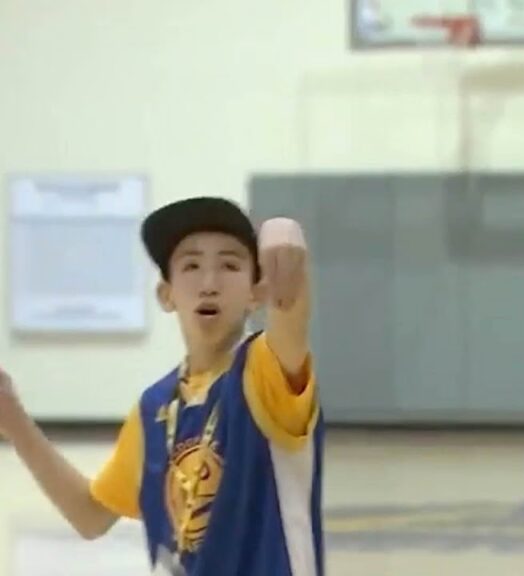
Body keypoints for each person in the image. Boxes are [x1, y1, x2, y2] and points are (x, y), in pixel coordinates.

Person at [0, 196, 324, 575]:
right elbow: (90, 516)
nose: (209, 283)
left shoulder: (266, 371)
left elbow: (290, 310)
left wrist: (282, 234)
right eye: (191, 266)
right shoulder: (155, 407)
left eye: (230, 265)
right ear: (166, 294)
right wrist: (13, 419)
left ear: (256, 293)